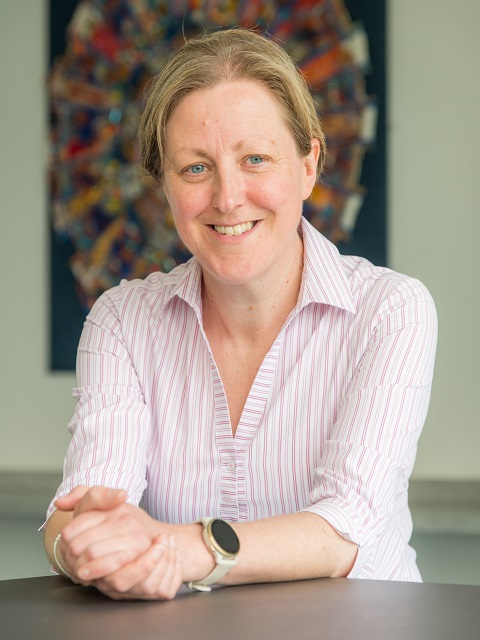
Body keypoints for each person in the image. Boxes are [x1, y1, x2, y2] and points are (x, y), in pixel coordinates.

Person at [43, 28, 437, 601]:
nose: (227, 198)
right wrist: (82, 548)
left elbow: (343, 531)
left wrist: (181, 549)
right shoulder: (121, 323)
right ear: (164, 185)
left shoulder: (390, 310)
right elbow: (83, 507)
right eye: (195, 169)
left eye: (255, 159)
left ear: (309, 164)